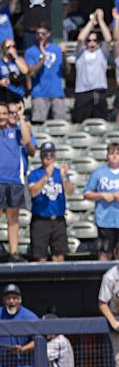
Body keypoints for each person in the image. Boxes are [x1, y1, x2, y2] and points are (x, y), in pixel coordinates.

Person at [84, 144, 119, 261]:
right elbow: (86, 194)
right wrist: (101, 195)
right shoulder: (98, 173)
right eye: (112, 153)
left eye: (117, 153)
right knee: (104, 254)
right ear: (107, 155)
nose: (114, 156)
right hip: (104, 221)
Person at [28, 142, 73, 262]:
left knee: (59, 256)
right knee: (40, 257)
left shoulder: (60, 173)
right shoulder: (35, 174)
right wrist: (45, 177)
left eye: (51, 155)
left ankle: (59, 280)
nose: (48, 158)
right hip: (41, 219)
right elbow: (33, 192)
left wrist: (64, 178)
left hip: (58, 219)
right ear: (41, 156)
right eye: (45, 155)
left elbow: (70, 192)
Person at [0, 102, 31, 262]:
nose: (2, 116)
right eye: (0, 113)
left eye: (5, 113)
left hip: (13, 180)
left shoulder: (17, 129)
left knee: (13, 217)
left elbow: (26, 141)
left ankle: (13, 253)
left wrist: (20, 117)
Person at [0, 283, 37, 367]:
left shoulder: (29, 317)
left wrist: (22, 348)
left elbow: (38, 341)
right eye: (8, 298)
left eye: (14, 298)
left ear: (20, 300)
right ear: (4, 300)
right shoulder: (0, 313)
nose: (11, 301)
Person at [73, 10, 112, 123]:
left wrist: (100, 20)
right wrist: (91, 22)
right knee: (81, 124)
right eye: (89, 40)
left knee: (100, 124)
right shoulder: (80, 53)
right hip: (82, 92)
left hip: (99, 92)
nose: (92, 43)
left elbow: (108, 39)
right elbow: (80, 38)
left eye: (95, 40)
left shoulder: (102, 52)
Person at [24, 24, 66, 123]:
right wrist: (43, 58)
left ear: (48, 34)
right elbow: (32, 72)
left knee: (60, 125)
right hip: (39, 93)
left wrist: (64, 54)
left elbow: (66, 70)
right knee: (39, 124)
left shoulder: (56, 50)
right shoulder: (30, 52)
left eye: (43, 34)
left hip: (56, 92)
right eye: (38, 34)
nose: (40, 36)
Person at [0, 38, 28, 104]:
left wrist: (15, 57)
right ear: (3, 48)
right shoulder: (0, 61)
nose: (11, 49)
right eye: (8, 47)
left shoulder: (19, 59)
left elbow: (25, 71)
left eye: (13, 46)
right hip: (4, 95)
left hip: (18, 94)